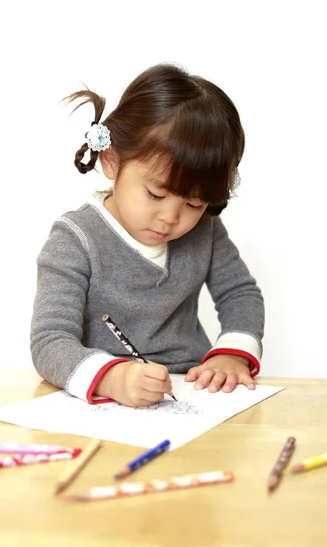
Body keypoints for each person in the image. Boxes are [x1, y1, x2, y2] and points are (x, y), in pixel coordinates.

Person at [30, 63, 264, 408]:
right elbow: (49, 340)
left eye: (195, 203)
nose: (171, 217)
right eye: (156, 194)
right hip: (98, 401)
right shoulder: (75, 239)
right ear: (111, 160)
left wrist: (231, 355)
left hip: (191, 394)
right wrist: (112, 377)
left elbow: (240, 293)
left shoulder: (206, 231)